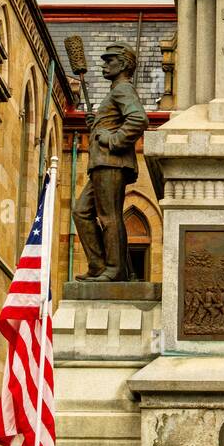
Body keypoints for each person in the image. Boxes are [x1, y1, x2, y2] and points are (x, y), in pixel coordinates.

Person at [73, 43, 149, 282]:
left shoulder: (123, 89)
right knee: (81, 212)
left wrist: (114, 139)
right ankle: (98, 266)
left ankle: (114, 270)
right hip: (103, 163)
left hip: (111, 163)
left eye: (110, 60)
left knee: (109, 216)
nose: (104, 65)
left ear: (124, 64)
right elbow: (119, 120)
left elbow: (138, 119)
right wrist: (97, 123)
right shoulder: (116, 92)